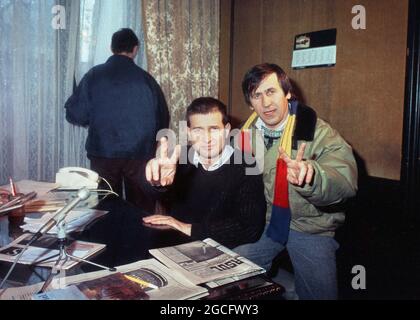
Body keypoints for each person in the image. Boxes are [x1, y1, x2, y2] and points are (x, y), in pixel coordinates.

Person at [234, 63, 358, 299]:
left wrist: (312, 176)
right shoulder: (243, 135)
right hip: (265, 223)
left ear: (287, 93)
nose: (266, 103)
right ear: (250, 103)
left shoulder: (315, 130)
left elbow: (345, 179)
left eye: (271, 92)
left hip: (309, 226)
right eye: (257, 95)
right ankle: (283, 287)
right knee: (228, 268)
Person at [65, 28, 169, 212]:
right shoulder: (147, 80)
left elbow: (75, 114)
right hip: (139, 156)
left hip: (104, 154)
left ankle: (109, 240)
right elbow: (162, 119)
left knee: (105, 209)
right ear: (135, 49)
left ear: (112, 48)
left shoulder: (94, 76)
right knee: (141, 209)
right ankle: (139, 240)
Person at [142, 97, 266, 248]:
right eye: (198, 130)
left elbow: (250, 229)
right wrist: (157, 183)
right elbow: (152, 194)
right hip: (179, 241)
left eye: (214, 129)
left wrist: (187, 228)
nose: (206, 139)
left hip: (222, 246)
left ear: (226, 131)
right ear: (188, 132)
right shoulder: (179, 157)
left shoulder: (247, 165)